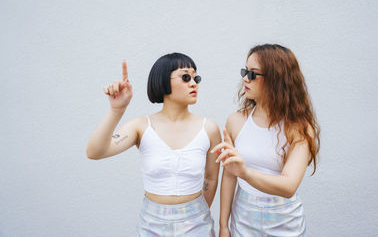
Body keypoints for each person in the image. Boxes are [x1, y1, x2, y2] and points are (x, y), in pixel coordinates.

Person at [87, 53, 221, 236]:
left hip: (197, 223)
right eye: (185, 77)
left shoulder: (210, 128)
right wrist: (117, 110)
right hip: (151, 224)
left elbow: (211, 178)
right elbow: (94, 152)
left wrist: (196, 212)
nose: (194, 83)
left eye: (195, 77)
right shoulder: (141, 126)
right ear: (163, 80)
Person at [212, 44, 320, 237]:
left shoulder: (300, 129)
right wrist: (223, 226)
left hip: (284, 222)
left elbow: (289, 186)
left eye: (253, 74)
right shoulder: (236, 121)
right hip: (243, 218)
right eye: (245, 71)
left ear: (276, 79)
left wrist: (244, 172)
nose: (245, 78)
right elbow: (229, 175)